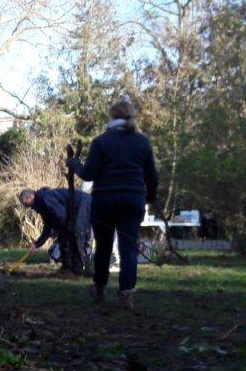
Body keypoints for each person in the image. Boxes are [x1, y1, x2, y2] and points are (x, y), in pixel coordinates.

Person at [67, 101, 159, 310]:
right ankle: (126, 294)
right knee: (128, 247)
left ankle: (99, 288)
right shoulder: (142, 142)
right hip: (133, 200)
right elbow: (152, 175)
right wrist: (150, 197)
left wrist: (73, 164)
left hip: (105, 201)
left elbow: (89, 174)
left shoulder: (101, 142)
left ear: (111, 116)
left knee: (104, 247)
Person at [18, 187, 91, 276]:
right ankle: (67, 266)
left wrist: (55, 228)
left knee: (75, 237)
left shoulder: (47, 198)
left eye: (27, 205)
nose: (30, 208)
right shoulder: (43, 204)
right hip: (74, 211)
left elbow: (62, 215)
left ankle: (76, 269)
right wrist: (37, 244)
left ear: (30, 197)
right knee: (63, 237)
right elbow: (48, 227)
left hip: (83, 205)